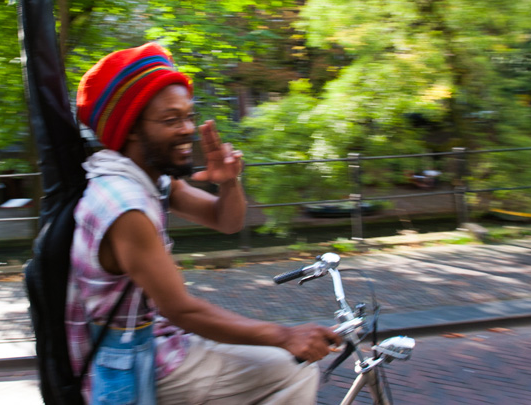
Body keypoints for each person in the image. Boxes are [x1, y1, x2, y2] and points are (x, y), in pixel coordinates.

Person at [67, 42, 340, 404]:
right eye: (171, 120)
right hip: (134, 362)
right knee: (295, 368)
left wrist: (228, 181)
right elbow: (180, 308)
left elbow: (226, 221)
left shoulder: (148, 179)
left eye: (188, 116)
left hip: (157, 338)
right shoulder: (125, 205)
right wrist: (285, 335)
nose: (187, 130)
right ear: (130, 128)